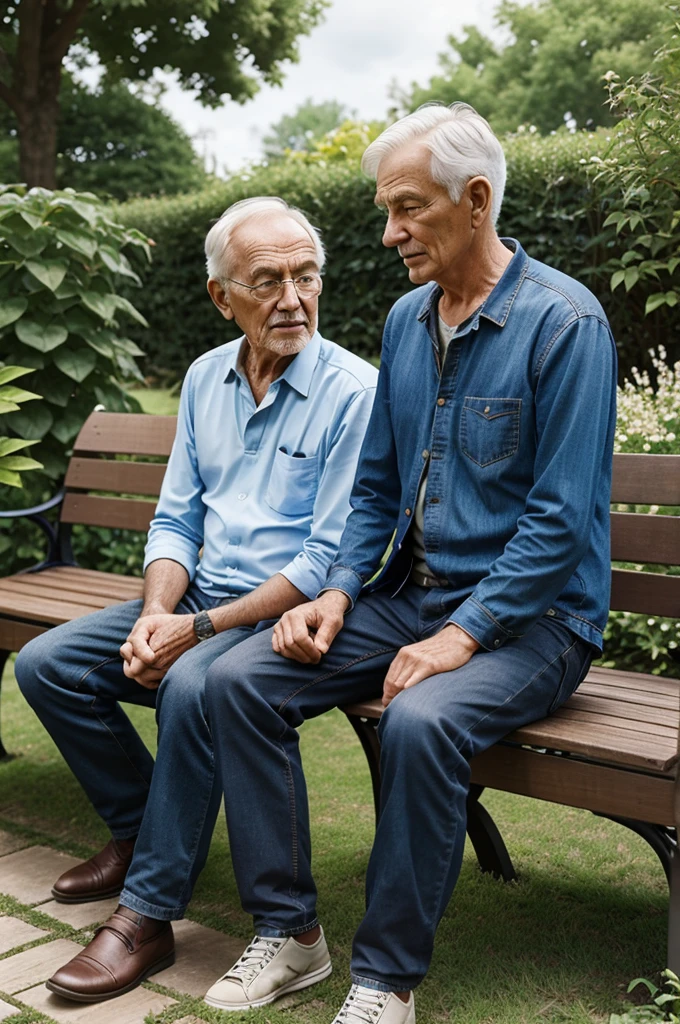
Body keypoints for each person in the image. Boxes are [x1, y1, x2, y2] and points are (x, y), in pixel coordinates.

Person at [201, 104, 617, 1023]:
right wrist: (341, 593)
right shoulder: (404, 320)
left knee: (420, 720)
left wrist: (464, 636)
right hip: (412, 597)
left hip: (539, 623)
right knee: (238, 681)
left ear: (475, 200)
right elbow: (378, 490)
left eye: (407, 210)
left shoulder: (565, 325)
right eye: (386, 211)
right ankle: (293, 937)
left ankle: (385, 982)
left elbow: (557, 526)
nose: (388, 234)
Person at [14, 196, 377, 1003]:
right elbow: (178, 517)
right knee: (48, 665)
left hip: (278, 616)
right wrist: (154, 614)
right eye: (268, 281)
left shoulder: (355, 392)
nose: (292, 299)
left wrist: (196, 629)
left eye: (306, 276)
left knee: (190, 681)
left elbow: (326, 557)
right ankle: (143, 831)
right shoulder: (205, 378)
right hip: (199, 599)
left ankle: (146, 914)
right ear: (222, 295)